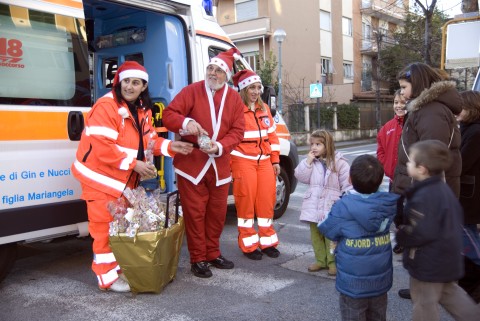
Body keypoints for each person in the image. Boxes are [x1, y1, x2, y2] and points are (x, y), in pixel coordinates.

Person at [72, 61, 193, 292]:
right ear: (119, 82)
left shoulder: (142, 109)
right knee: (104, 229)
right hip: (99, 179)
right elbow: (102, 146)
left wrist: (170, 147)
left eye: (135, 82)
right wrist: (134, 164)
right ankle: (106, 278)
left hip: (120, 180)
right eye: (126, 81)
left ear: (143, 87)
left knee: (117, 227)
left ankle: (117, 269)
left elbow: (149, 142)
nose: (129, 86)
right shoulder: (106, 106)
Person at [162, 48, 245, 278]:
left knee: (217, 213)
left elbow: (239, 131)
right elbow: (168, 115)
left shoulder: (235, 98)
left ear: (226, 75)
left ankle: (212, 252)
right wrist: (185, 122)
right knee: (195, 212)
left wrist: (219, 146)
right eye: (210, 68)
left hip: (219, 164)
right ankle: (198, 258)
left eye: (218, 70)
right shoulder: (192, 90)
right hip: (193, 163)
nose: (213, 73)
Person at [392, 62, 462, 300]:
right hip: (421, 188)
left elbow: (432, 158)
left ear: (418, 83)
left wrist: (421, 196)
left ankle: (425, 290)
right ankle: (421, 288)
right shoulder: (425, 109)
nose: (401, 92)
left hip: (426, 191)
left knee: (426, 243)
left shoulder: (430, 112)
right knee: (424, 246)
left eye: (404, 86)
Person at [395, 140, 479, 321]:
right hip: (448, 258)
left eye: (410, 161)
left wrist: (402, 234)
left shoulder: (424, 197)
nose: (407, 164)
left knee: (424, 303)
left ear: (421, 169)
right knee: (451, 295)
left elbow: (420, 231)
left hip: (427, 264)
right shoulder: (443, 190)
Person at [318, 154, 399, 321]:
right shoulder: (387, 204)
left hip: (352, 283)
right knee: (378, 315)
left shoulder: (343, 206)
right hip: (380, 280)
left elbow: (326, 228)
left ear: (349, 178)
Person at [230, 69, 281, 260]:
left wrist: (275, 159)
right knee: (246, 204)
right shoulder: (234, 110)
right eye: (252, 87)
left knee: (266, 202)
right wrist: (231, 164)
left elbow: (273, 136)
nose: (256, 91)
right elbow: (228, 139)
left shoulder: (265, 108)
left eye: (258, 87)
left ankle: (268, 242)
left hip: (265, 162)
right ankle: (249, 244)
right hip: (243, 161)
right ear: (243, 89)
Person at [294, 130, 352, 276]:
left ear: (327, 145)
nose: (314, 147)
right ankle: (320, 260)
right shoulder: (311, 162)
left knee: (331, 237)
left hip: (331, 207)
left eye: (318, 144)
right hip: (313, 206)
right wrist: (307, 162)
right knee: (316, 236)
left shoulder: (339, 162)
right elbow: (300, 176)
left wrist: (345, 203)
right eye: (312, 144)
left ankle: (332, 262)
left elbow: (347, 184)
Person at [456, 90, 480, 303]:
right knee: (467, 233)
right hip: (466, 192)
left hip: (470, 195)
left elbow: (462, 162)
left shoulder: (476, 131)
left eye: (460, 107)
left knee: (467, 233)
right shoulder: (466, 128)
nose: (456, 111)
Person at [376, 89, 406, 185]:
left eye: (403, 102)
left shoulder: (414, 123)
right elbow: (380, 151)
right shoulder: (386, 127)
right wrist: (386, 165)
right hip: (392, 180)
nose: (398, 106)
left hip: (410, 180)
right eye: (396, 102)